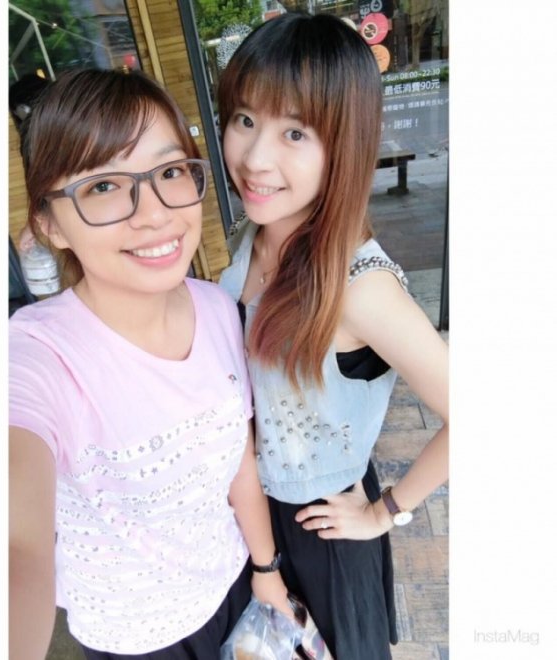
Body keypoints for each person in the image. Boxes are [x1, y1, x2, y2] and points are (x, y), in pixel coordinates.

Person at [9, 68, 291, 660]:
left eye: (168, 172)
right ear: (49, 224)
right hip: (134, 638)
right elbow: (14, 545)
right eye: (103, 186)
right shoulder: (37, 355)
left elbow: (239, 461)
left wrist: (267, 570)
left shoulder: (217, 308)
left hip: (233, 591)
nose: (155, 213)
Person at [217, 13, 449, 660]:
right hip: (250, 514)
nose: (255, 159)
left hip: (322, 528)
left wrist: (385, 512)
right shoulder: (251, 233)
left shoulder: (359, 285)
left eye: (295, 132)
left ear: (344, 144)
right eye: (245, 119)